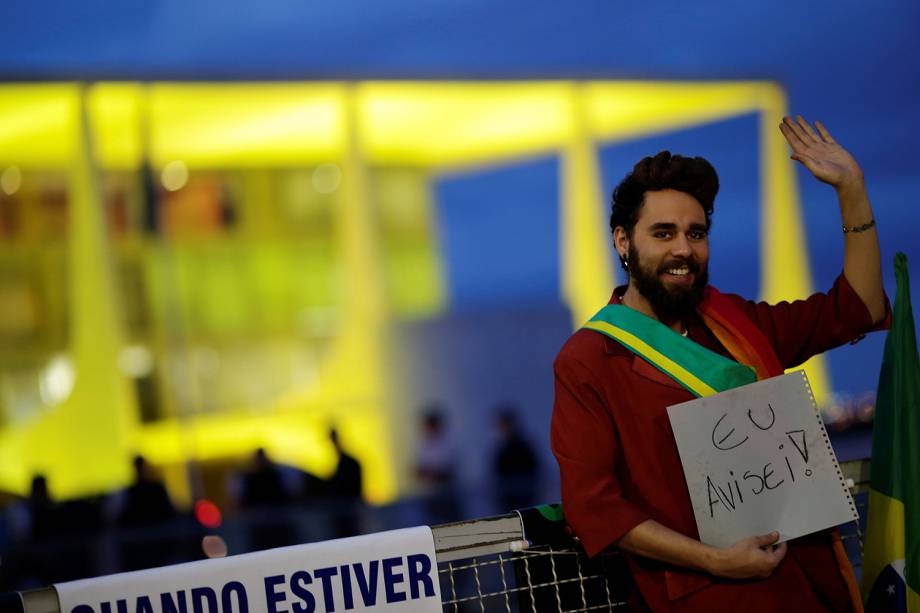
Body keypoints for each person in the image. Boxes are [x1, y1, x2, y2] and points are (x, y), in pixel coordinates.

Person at [550, 116, 887, 612]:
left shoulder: (734, 322)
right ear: (623, 241)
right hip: (708, 597)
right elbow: (592, 507)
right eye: (663, 233)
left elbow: (858, 309)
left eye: (696, 232)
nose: (683, 248)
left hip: (806, 586)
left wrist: (851, 189)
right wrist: (714, 560)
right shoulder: (587, 360)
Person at [492, 406, 540, 511]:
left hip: (523, 493)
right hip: (508, 495)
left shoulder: (523, 446)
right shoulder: (501, 448)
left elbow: (533, 467)